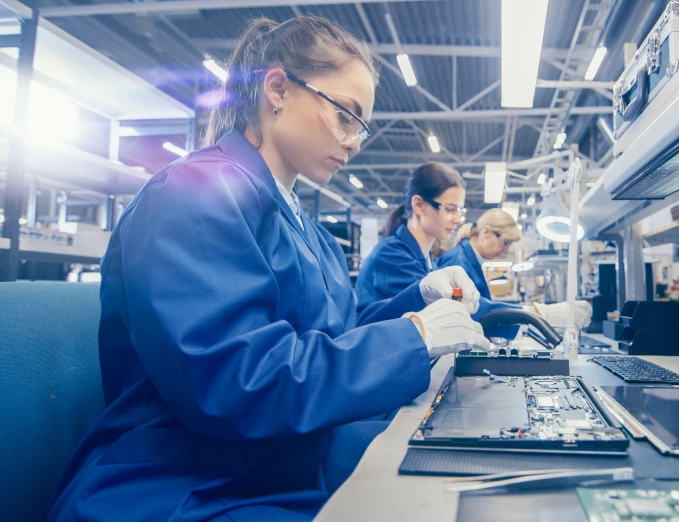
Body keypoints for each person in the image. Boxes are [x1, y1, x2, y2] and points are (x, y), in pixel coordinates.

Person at [48, 16, 491, 522]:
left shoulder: (307, 227)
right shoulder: (192, 196)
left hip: (273, 466)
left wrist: (421, 303)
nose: (354, 141)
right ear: (277, 88)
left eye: (361, 126)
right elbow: (238, 381)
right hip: (182, 486)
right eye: (346, 115)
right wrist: (412, 338)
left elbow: (330, 341)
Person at [355, 162, 520, 339]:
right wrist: (526, 316)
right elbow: (449, 309)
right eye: (450, 210)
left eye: (460, 211)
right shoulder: (391, 255)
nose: (457, 219)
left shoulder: (427, 259)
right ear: (419, 205)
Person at [439, 209, 594, 330]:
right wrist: (537, 314)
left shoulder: (468, 259)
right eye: (505, 242)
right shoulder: (458, 262)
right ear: (486, 232)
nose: (506, 250)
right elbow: (471, 311)